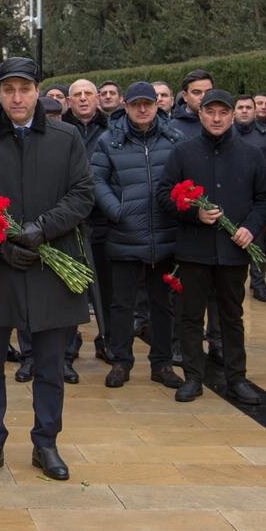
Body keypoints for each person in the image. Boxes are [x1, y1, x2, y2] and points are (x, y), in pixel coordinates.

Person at [0, 57, 94, 482]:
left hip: (51, 265)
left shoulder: (66, 136)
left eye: (25, 88)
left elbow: (82, 193)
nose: (17, 97)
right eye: (9, 89)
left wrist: (41, 230)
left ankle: (46, 442)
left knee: (50, 365)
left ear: (37, 91)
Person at [157, 89, 266, 406]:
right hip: (194, 251)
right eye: (211, 112)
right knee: (190, 317)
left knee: (231, 317)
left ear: (232, 115)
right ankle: (194, 377)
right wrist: (193, 213)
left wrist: (251, 227)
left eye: (223, 112)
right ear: (201, 114)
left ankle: (236, 378)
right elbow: (164, 195)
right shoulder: (183, 153)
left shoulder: (251, 154)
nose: (217, 118)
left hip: (233, 252)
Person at [90, 82, 183, 390]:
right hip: (125, 233)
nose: (143, 109)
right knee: (122, 303)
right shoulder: (109, 141)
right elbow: (96, 180)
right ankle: (120, 360)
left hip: (164, 235)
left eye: (148, 104)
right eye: (136, 104)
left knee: (162, 303)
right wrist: (116, 210)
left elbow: (185, 178)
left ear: (157, 105)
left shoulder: (173, 138)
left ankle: (162, 362)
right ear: (125, 106)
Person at [62, 78, 113, 377]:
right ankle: (67, 349)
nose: (82, 99)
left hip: (102, 219)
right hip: (68, 221)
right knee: (70, 289)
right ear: (68, 101)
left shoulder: (111, 130)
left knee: (106, 288)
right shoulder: (59, 130)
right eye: (76, 95)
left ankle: (107, 342)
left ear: (97, 99)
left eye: (88, 94)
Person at [233, 94, 266, 303]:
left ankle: (258, 281)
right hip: (232, 197)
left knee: (260, 243)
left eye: (248, 108)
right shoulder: (226, 133)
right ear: (234, 111)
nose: (244, 111)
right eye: (240, 107)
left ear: (255, 112)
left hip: (259, 199)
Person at [169, 69, 213, 139]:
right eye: (196, 92)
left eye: (208, 92)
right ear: (185, 96)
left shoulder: (225, 123)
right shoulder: (171, 129)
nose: (203, 97)